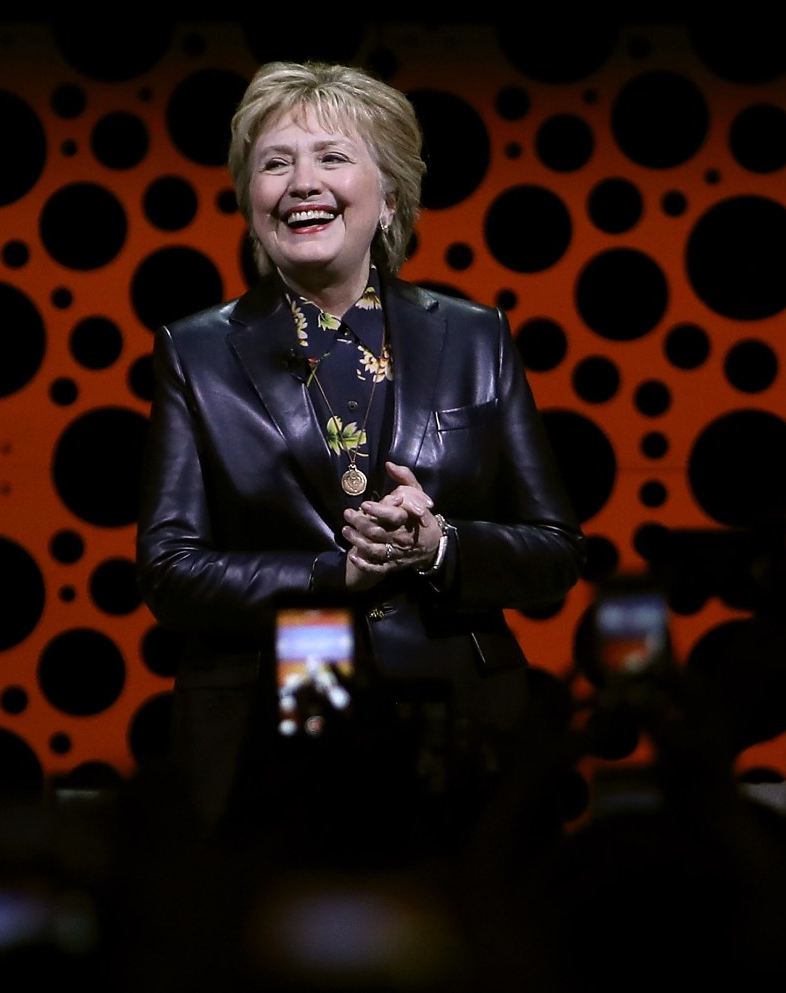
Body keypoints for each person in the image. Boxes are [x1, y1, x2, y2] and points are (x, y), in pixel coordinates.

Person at [135, 61, 585, 837]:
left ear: (389, 198)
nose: (301, 182)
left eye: (332, 158)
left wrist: (442, 545)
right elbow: (171, 571)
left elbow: (554, 550)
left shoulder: (478, 336)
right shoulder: (194, 350)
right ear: (251, 202)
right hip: (273, 713)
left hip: (457, 712)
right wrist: (332, 574)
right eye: (275, 163)